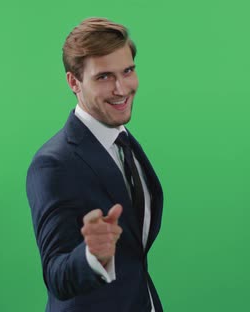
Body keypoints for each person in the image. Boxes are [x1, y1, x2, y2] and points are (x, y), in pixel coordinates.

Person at [26, 17, 164, 312]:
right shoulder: (54, 164)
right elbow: (57, 276)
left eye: (127, 71)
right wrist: (91, 256)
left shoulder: (124, 142)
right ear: (74, 82)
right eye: (104, 77)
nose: (121, 88)